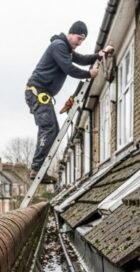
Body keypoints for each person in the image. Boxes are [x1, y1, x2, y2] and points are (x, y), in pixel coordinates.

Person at [26, 21, 114, 182]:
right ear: (70, 33)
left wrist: (100, 55)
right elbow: (68, 68)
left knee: (51, 129)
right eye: (78, 38)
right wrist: (89, 74)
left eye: (82, 40)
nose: (79, 43)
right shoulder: (59, 46)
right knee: (49, 128)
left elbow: (81, 59)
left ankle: (38, 168)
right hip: (37, 93)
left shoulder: (66, 49)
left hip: (41, 94)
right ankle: (36, 169)